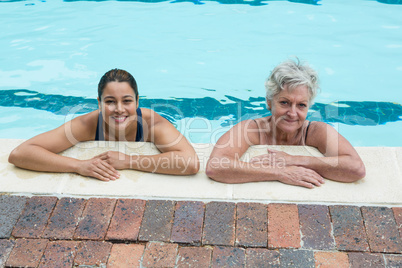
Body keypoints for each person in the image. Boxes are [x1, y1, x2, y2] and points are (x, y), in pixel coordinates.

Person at [9, 69, 199, 181]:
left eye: (127, 101)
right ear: (99, 103)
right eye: (109, 102)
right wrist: (78, 166)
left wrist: (129, 161)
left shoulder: (152, 123)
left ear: (137, 101)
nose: (119, 109)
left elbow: (190, 163)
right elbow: (20, 154)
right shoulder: (87, 124)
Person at [206, 58, 366, 188]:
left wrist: (295, 160)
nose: (292, 113)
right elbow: (216, 166)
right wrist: (280, 172)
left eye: (301, 105)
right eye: (284, 102)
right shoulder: (252, 130)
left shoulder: (316, 131)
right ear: (269, 102)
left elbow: (356, 168)